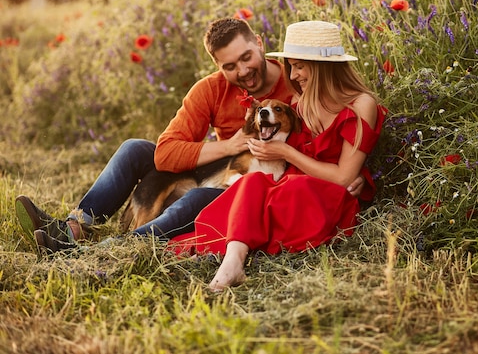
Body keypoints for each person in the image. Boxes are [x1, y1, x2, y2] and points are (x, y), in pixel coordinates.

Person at [16, 17, 365, 253]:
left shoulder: (300, 91)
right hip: (215, 171)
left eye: (247, 58)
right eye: (229, 66)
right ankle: (76, 226)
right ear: (217, 66)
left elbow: (326, 145)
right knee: (136, 148)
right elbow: (164, 154)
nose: (242, 71)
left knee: (198, 198)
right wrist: (229, 144)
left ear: (260, 44)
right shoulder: (209, 90)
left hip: (243, 188)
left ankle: (114, 249)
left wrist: (351, 177)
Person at [166, 20, 387, 291]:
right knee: (251, 183)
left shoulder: (361, 104)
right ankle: (233, 262)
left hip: (325, 196)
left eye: (300, 66)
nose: (293, 75)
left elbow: (343, 176)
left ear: (323, 65)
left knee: (260, 188)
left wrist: (286, 152)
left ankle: (234, 257)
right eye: (291, 66)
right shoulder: (300, 102)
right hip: (291, 184)